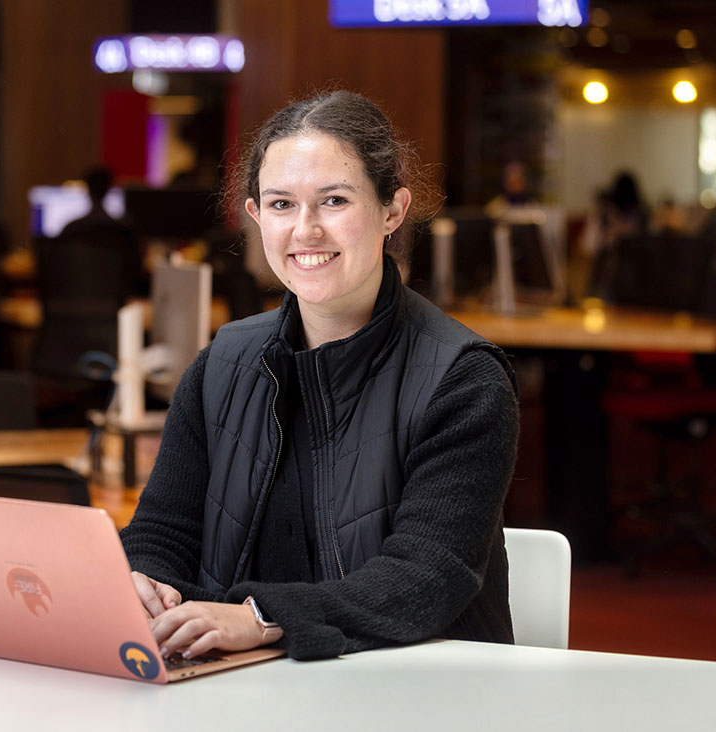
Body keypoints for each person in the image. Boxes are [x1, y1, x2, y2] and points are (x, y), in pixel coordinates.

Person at [119, 90, 519, 662]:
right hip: (243, 689)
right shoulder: (220, 364)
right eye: (281, 204)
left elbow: (426, 577)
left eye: (333, 200)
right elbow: (161, 532)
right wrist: (142, 581)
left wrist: (261, 618)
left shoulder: (463, 379)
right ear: (256, 216)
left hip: (420, 689)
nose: (305, 230)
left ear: (393, 210)